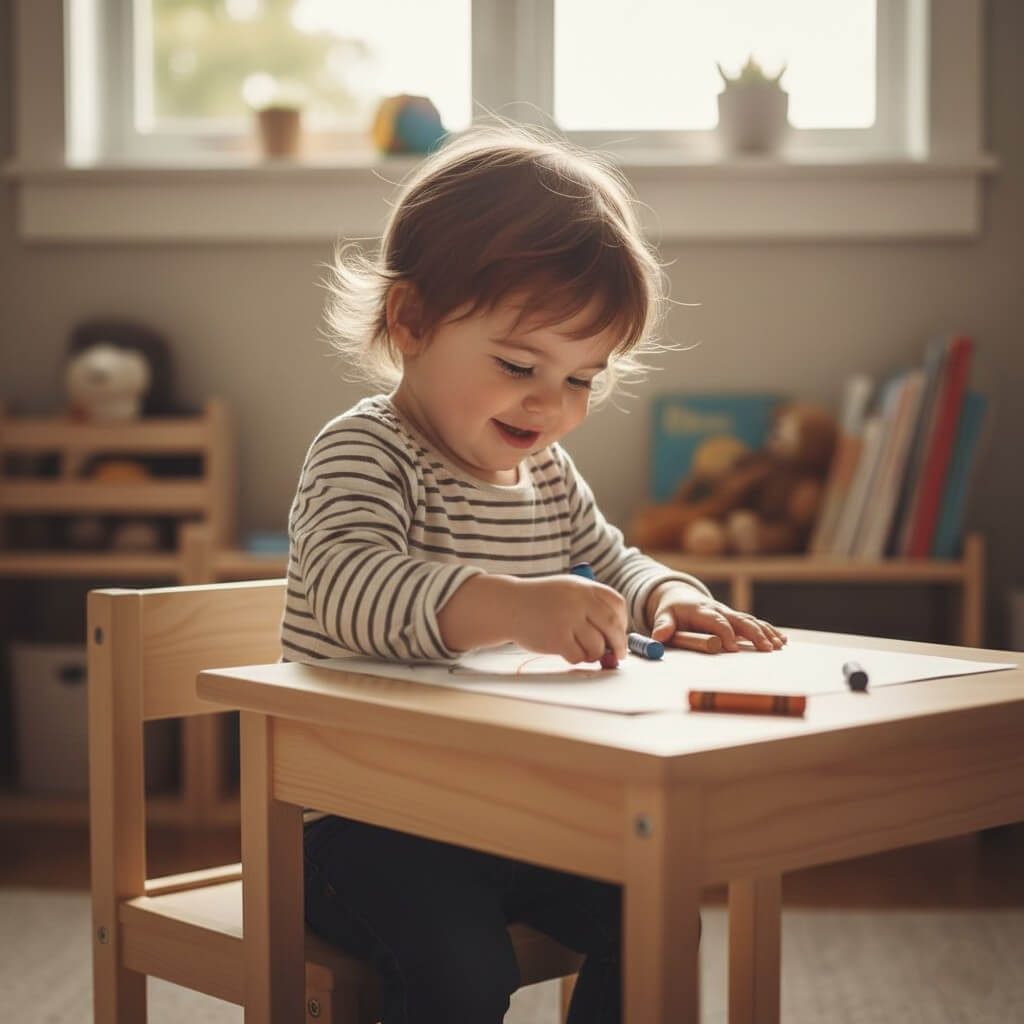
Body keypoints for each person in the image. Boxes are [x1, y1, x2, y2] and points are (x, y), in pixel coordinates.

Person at [284, 124, 785, 1024]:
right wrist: (512, 605)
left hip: (505, 808)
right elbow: (351, 587)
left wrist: (667, 593)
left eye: (585, 378)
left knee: (658, 913)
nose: (552, 403)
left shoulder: (545, 474)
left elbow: (609, 557)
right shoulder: (365, 452)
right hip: (361, 823)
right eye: (520, 365)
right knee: (464, 976)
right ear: (412, 322)